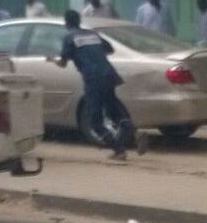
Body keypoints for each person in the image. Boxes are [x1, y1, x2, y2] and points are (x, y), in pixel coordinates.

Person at [48, 10, 147, 161]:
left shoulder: (69, 38)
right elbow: (110, 49)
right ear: (79, 20)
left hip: (93, 79)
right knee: (113, 111)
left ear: (66, 23)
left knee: (95, 121)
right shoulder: (92, 34)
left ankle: (119, 150)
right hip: (109, 75)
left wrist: (52, 60)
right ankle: (134, 131)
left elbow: (63, 62)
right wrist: (95, 55)